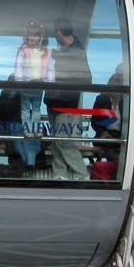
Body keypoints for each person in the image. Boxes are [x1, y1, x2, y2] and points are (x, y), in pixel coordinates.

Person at [44, 17, 91, 180]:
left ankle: (81, 174)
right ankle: (60, 174)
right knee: (57, 142)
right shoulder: (64, 50)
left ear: (58, 33)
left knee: (63, 141)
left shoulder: (76, 52)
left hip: (66, 104)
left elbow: (86, 79)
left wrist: (63, 93)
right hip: (54, 103)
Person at [14, 22, 55, 137]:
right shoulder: (23, 50)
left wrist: (50, 82)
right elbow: (18, 67)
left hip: (39, 84)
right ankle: (27, 129)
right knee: (26, 108)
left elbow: (50, 68)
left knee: (36, 108)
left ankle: (36, 129)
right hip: (26, 84)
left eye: (35, 35)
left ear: (40, 37)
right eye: (31, 35)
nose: (33, 37)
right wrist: (19, 81)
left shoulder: (46, 52)